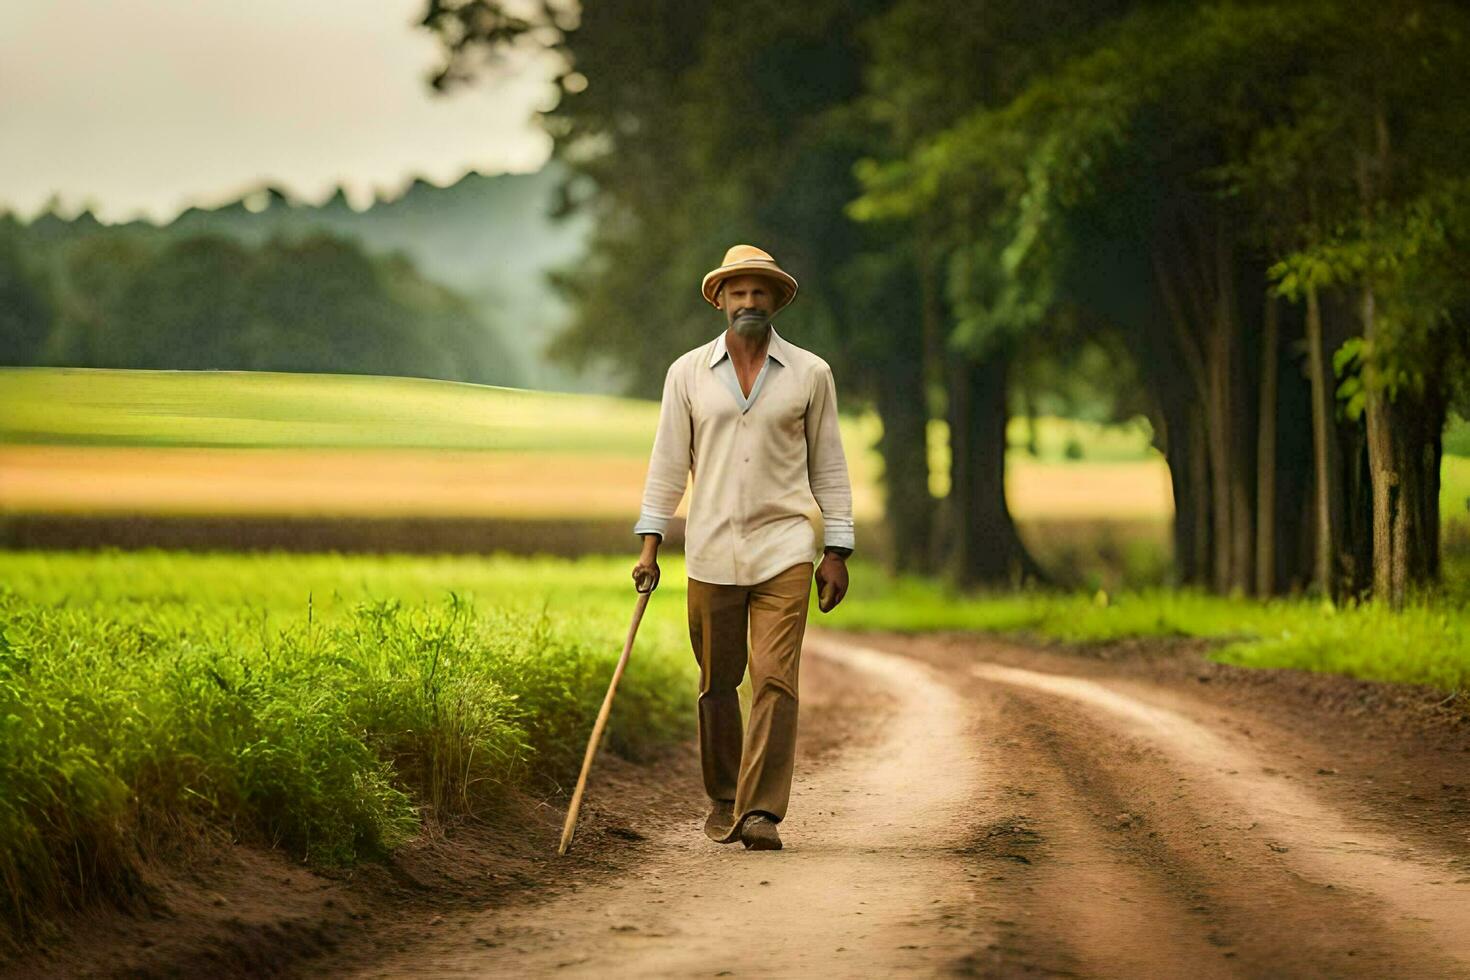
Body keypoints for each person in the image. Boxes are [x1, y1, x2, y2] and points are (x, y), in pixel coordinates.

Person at [630, 243, 855, 852]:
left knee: (776, 680)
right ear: (720, 301)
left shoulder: (811, 374)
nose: (748, 301)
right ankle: (725, 796)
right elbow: (667, 467)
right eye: (738, 291)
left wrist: (836, 549)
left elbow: (829, 467)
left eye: (760, 291)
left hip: (785, 547)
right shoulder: (687, 375)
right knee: (717, 681)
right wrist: (650, 546)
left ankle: (760, 811)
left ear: (777, 300)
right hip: (709, 550)